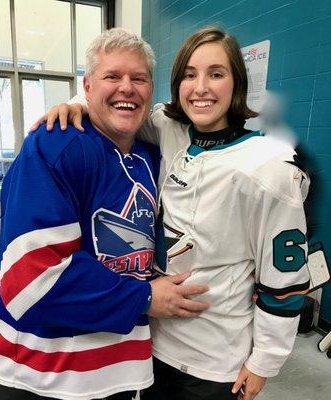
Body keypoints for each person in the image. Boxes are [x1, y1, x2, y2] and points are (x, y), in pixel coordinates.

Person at [31, 26, 311, 400]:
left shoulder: (267, 167)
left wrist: (264, 362)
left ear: (237, 83)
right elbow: (117, 103)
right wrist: (74, 104)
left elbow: (285, 282)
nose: (201, 88)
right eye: (189, 75)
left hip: (213, 361)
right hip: (149, 343)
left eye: (216, 74)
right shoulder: (170, 128)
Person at [0, 28, 211, 400]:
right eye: (112, 76)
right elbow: (28, 282)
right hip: (39, 379)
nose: (127, 87)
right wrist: (145, 298)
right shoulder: (54, 146)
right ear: (86, 86)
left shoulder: (151, 156)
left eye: (139, 78)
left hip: (117, 376)